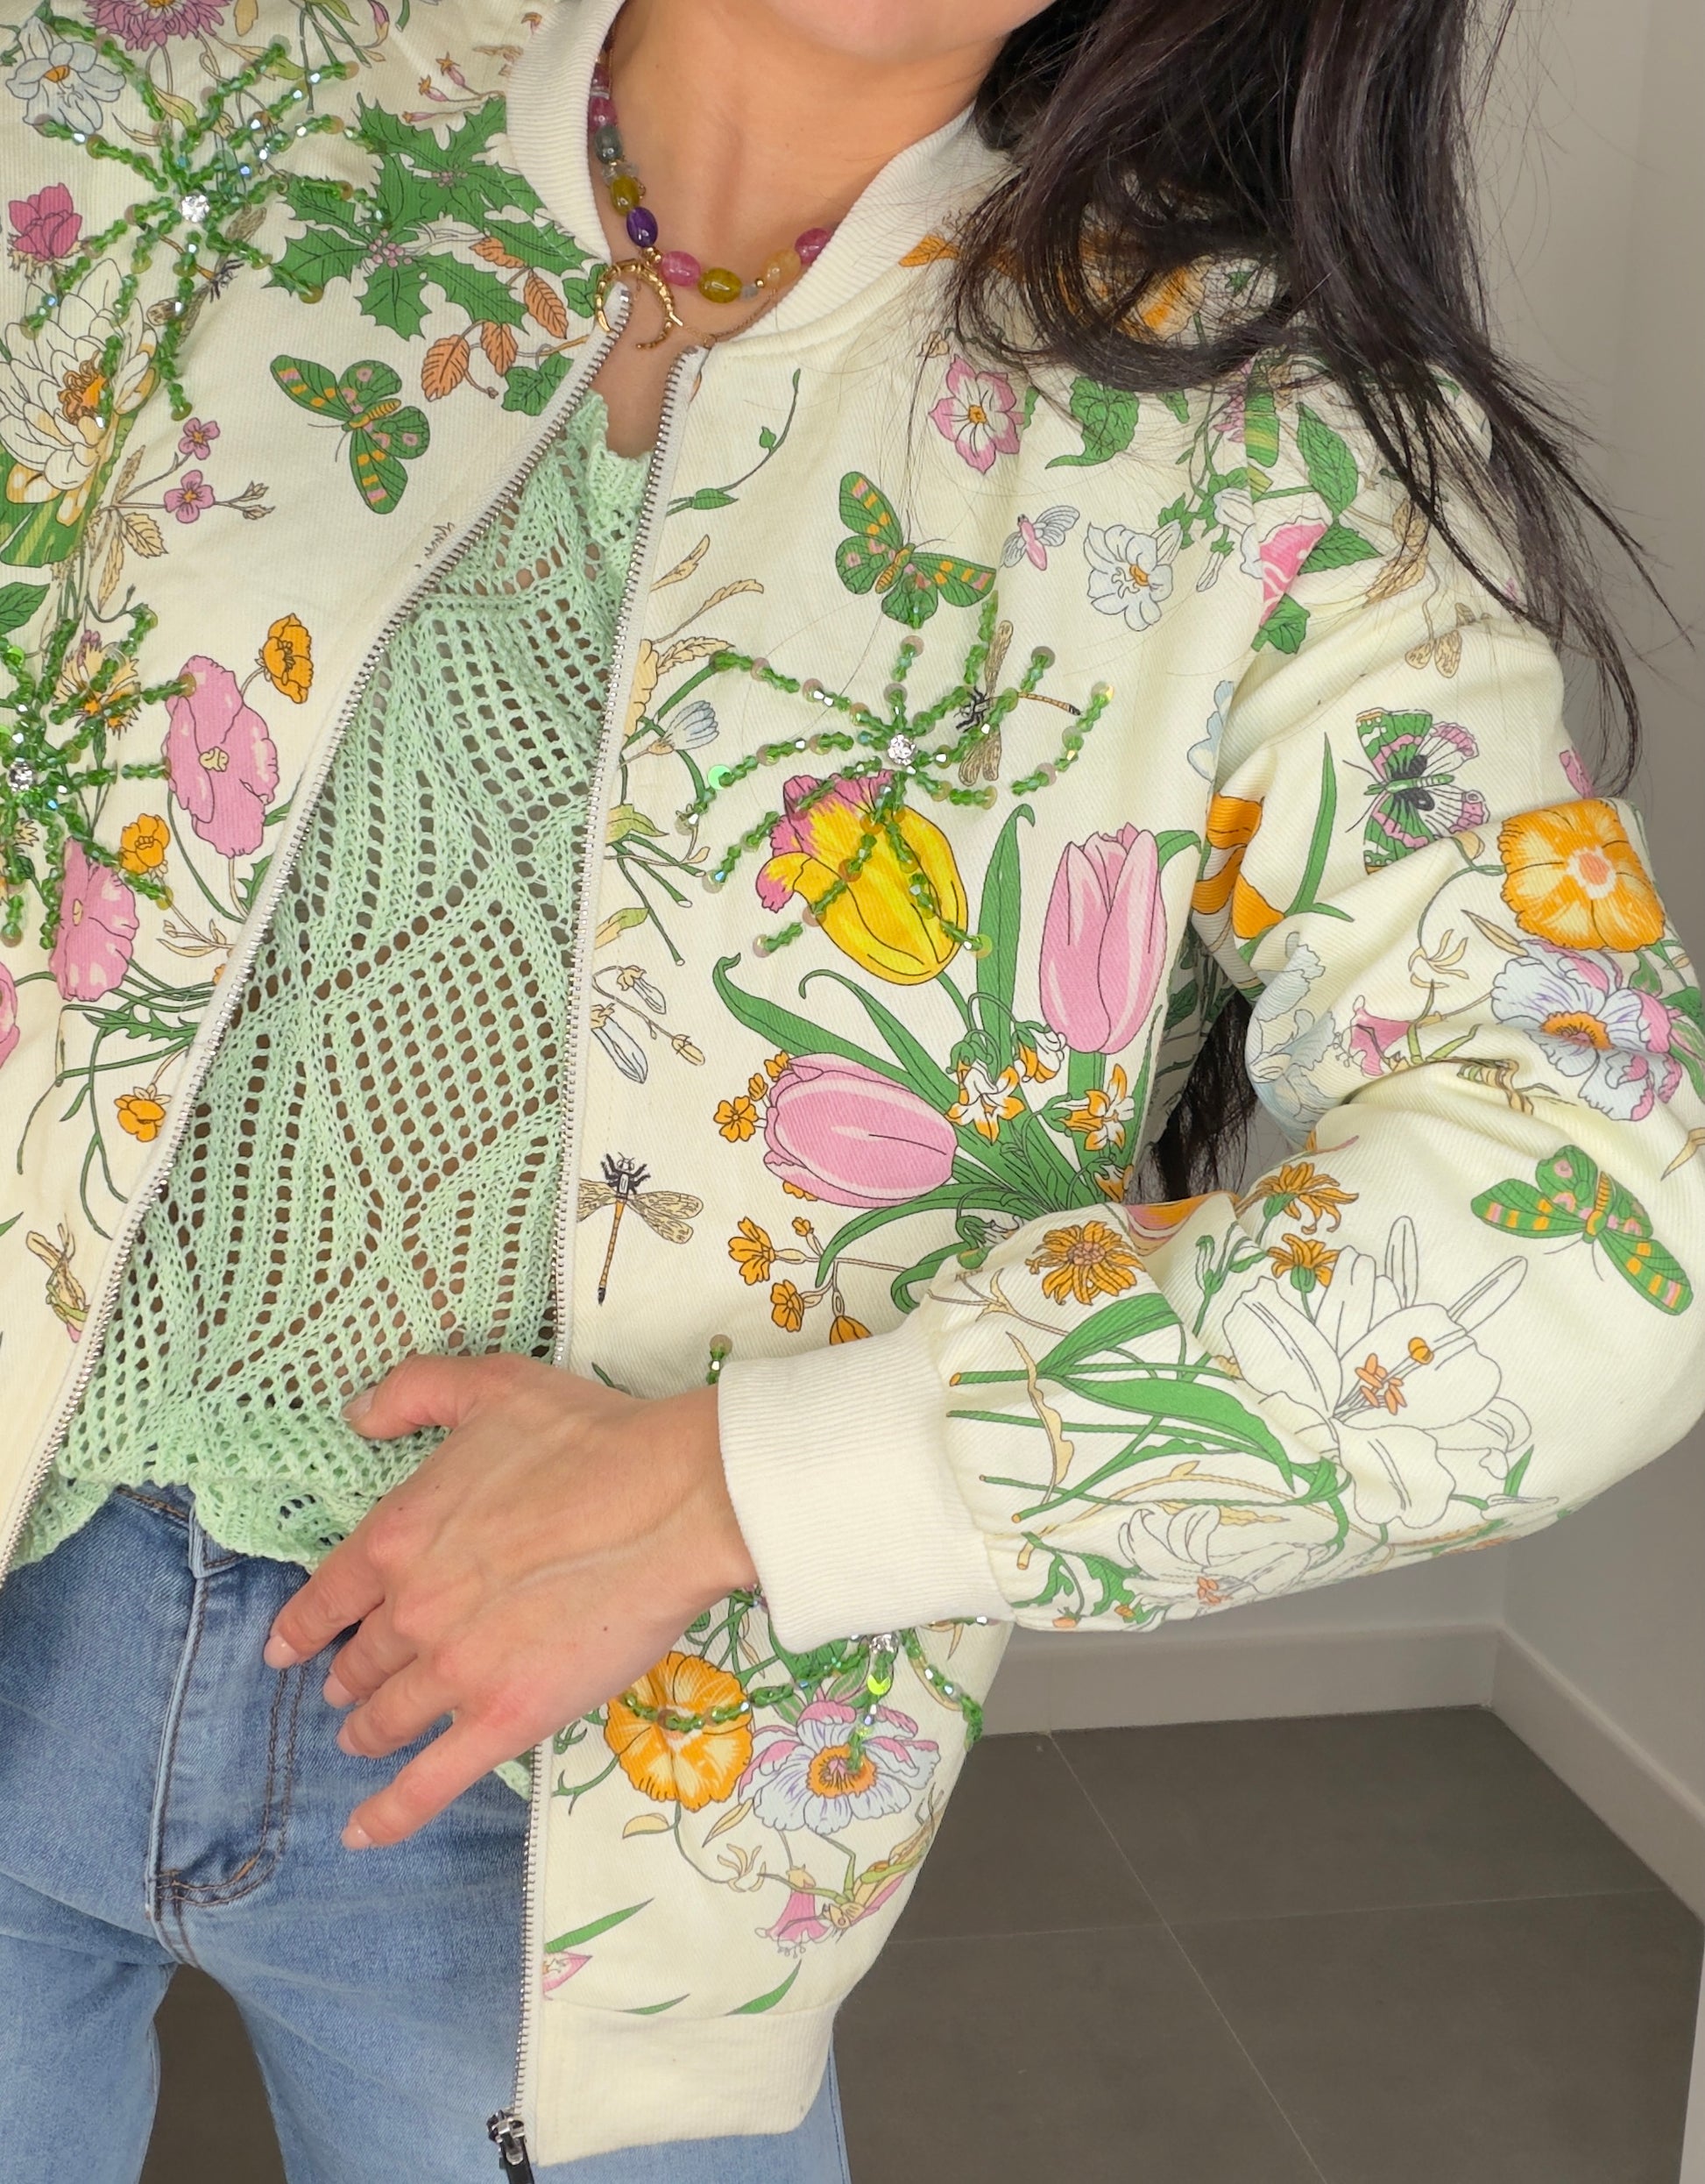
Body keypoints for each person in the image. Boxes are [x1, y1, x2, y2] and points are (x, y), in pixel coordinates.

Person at [0, 0, 1701, 2173]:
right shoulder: (165, 98)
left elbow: (1598, 1216)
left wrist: (750, 1487)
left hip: (607, 1829)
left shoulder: (1274, 451)